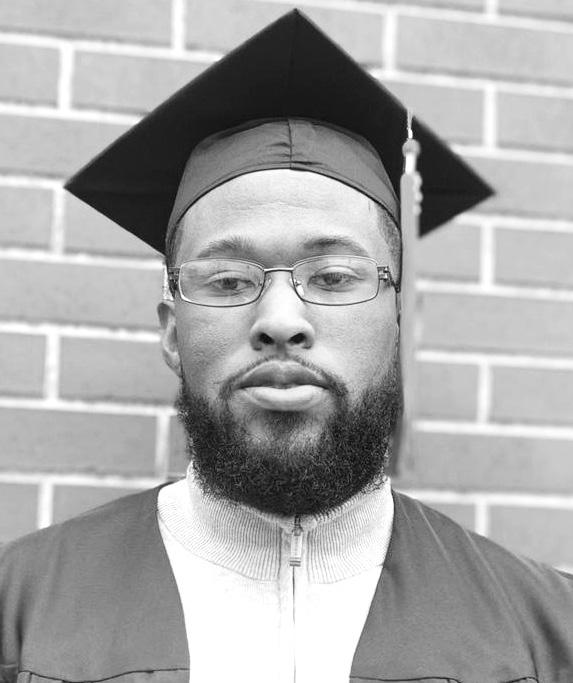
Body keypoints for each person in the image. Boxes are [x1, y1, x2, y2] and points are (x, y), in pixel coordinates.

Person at [1, 10, 572, 683]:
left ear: (401, 323)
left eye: (332, 277)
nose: (279, 320)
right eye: (228, 280)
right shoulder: (19, 610)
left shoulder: (548, 630)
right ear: (171, 332)